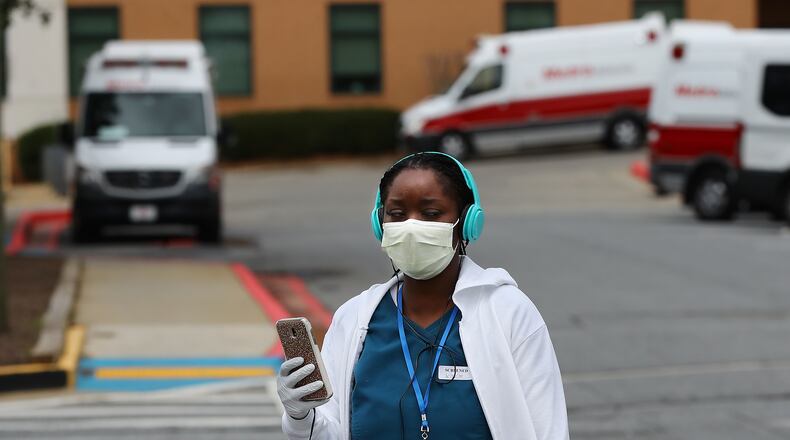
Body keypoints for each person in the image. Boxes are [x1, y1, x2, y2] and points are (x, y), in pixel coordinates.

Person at [277, 152, 568, 440]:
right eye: (397, 214)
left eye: (430, 213)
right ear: (380, 224)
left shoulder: (509, 313)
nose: (411, 226)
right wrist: (300, 416)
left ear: (466, 222)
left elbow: (547, 429)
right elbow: (329, 433)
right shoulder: (353, 320)